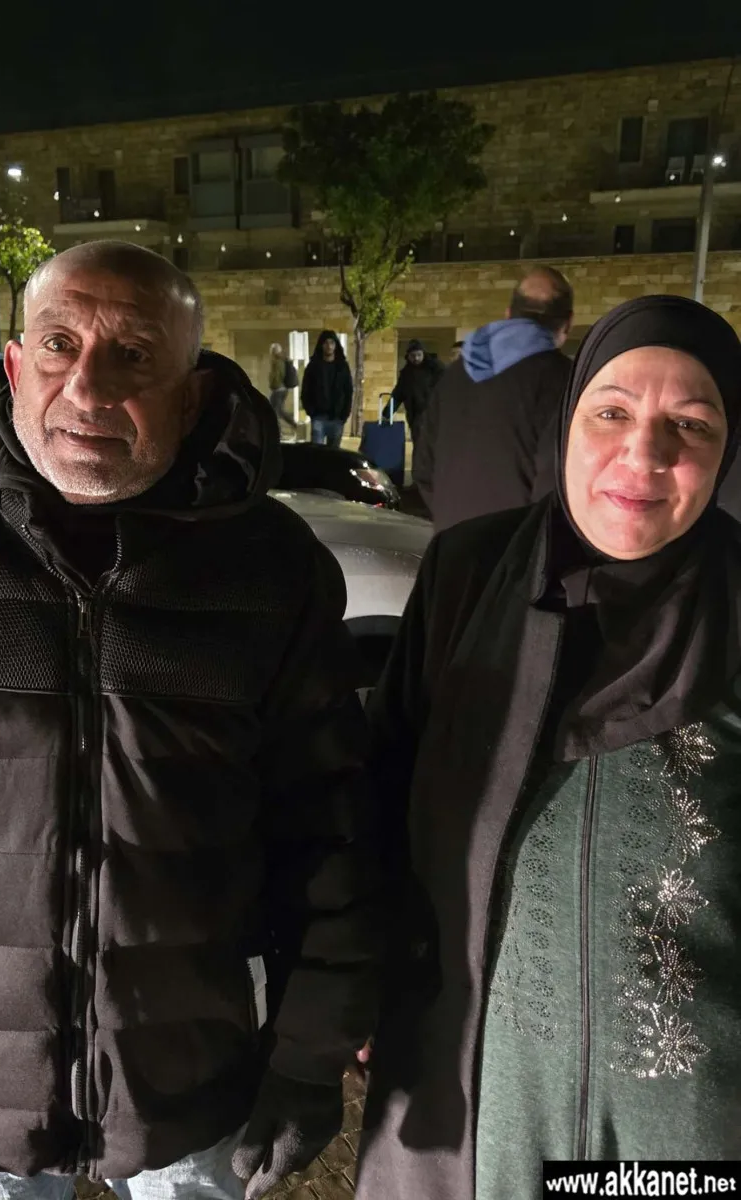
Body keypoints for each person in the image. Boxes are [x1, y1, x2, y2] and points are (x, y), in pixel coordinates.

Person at [0, 242, 385, 1200]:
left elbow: (330, 824)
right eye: (59, 344)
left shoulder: (271, 570)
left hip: (194, 1095)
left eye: (133, 355)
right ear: (16, 366)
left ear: (192, 394)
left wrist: (308, 1054)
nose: (87, 387)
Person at [356, 295, 741, 1200]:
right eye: (612, 412)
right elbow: (380, 796)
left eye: (691, 423)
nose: (644, 453)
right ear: (567, 422)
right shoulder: (467, 572)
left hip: (677, 1118)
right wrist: (357, 980)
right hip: (469, 1084)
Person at [413, 267, 573, 529]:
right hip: (518, 546)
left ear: (508, 314)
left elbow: (423, 468)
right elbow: (559, 488)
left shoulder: (454, 375)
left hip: (453, 540)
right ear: (567, 324)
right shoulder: (564, 381)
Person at [381, 340, 443, 449]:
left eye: (419, 355)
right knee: (419, 444)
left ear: (424, 354)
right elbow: (398, 394)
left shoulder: (436, 368)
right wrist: (387, 413)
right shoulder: (406, 373)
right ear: (408, 356)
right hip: (414, 416)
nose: (416, 358)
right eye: (413, 355)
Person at [301, 330, 353, 449]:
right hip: (318, 416)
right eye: (326, 343)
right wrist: (311, 411)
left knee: (334, 454)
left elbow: (348, 391)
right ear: (321, 345)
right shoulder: (313, 366)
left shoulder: (342, 367)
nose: (329, 346)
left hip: (337, 418)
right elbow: (306, 390)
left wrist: (344, 414)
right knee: (317, 453)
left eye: (332, 343)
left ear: (336, 345)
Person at [267, 342, 297, 436]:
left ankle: (278, 432)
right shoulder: (281, 360)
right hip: (281, 389)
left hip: (278, 390)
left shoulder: (278, 361)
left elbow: (277, 376)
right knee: (278, 411)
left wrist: (273, 384)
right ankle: (292, 424)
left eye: (272, 351)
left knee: (273, 411)